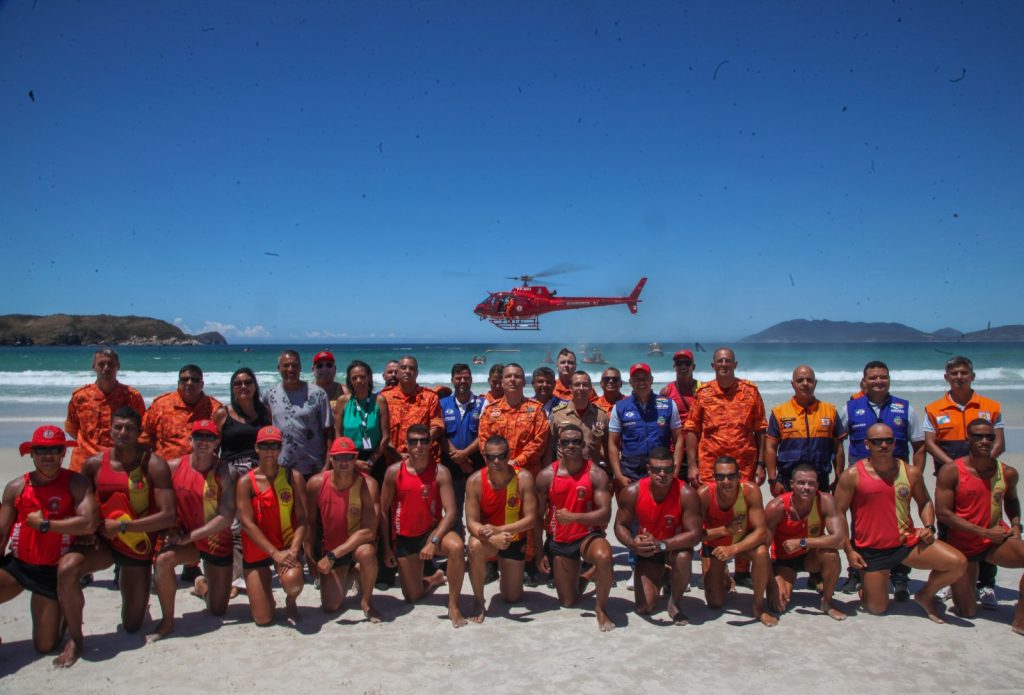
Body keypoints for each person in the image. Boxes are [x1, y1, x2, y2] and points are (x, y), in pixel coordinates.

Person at [55, 407, 176, 667]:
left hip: (136, 545)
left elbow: (168, 516)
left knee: (132, 626)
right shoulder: (94, 464)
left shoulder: (154, 464)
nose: (123, 432)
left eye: (129, 428)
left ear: (139, 433)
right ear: (110, 430)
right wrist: (88, 533)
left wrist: (123, 528)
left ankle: (134, 589)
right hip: (104, 543)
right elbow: (80, 504)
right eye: (118, 427)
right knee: (67, 568)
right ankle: (75, 638)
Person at [834, 423, 967, 623]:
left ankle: (925, 595)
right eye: (877, 441)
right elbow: (838, 514)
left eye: (889, 440)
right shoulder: (852, 475)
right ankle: (868, 584)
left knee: (958, 563)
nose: (884, 445)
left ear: (895, 443)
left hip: (906, 543)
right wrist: (849, 550)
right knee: (876, 609)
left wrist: (929, 526)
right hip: (872, 550)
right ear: (867, 444)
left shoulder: (910, 472)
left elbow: (925, 502)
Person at [0, 426, 95, 661]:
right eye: (41, 450)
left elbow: (89, 523)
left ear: (63, 453)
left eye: (54, 450)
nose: (47, 455)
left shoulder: (76, 483)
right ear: (31, 454)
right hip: (18, 566)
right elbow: (1, 535)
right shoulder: (15, 488)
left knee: (45, 646)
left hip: (52, 571)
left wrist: (46, 525)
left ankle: (62, 606)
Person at [839, 360, 926, 598]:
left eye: (883, 377)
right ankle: (857, 574)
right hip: (862, 481)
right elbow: (837, 441)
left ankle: (900, 578)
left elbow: (919, 445)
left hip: (897, 480)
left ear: (889, 379)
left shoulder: (904, 408)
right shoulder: (850, 408)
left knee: (902, 524)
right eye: (873, 377)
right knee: (860, 526)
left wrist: (915, 475)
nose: (878, 381)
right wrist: (840, 475)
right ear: (864, 381)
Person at [925, 355, 1005, 607]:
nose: (959, 377)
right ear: (946, 377)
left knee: (987, 526)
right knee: (949, 526)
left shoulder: (990, 406)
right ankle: (950, 580)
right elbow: (930, 443)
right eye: (954, 373)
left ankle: (987, 584)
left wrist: (981, 466)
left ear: (972, 375)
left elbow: (999, 442)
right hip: (949, 479)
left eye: (964, 372)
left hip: (985, 479)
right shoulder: (934, 409)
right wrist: (953, 468)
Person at [149, 420, 236, 642]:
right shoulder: (173, 468)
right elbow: (159, 506)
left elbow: (225, 519)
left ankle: (200, 584)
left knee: (217, 610)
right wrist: (168, 531)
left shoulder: (226, 471)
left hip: (217, 542)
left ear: (217, 442)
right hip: (186, 543)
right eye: (199, 437)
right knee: (163, 561)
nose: (204, 442)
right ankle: (167, 621)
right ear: (191, 440)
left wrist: (189, 536)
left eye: (209, 437)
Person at [934, 419, 1024, 633]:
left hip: (994, 544)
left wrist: (1016, 524)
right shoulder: (951, 471)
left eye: (989, 437)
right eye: (978, 436)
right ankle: (960, 585)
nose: (985, 441)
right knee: (967, 612)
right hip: (963, 547)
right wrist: (983, 532)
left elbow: (1011, 500)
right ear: (968, 439)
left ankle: (1020, 620)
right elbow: (944, 514)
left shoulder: (1008, 473)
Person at [379, 425, 467, 628]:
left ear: (430, 444)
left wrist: (434, 540)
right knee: (413, 596)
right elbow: (383, 511)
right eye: (413, 441)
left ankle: (453, 604)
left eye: (423, 441)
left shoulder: (440, 472)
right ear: (406, 445)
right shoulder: (394, 472)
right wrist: (386, 547)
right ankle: (435, 578)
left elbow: (451, 512)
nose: (418, 446)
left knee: (456, 546)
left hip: (431, 533)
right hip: (405, 536)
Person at [535, 424, 616, 631]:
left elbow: (605, 514)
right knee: (568, 601)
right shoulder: (546, 476)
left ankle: (601, 608)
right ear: (559, 446)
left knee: (604, 555)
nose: (571, 446)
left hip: (587, 537)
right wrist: (538, 552)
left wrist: (573, 517)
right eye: (566, 442)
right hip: (560, 539)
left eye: (576, 442)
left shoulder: (596, 474)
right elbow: (537, 517)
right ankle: (587, 575)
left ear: (583, 444)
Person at [613, 447, 701, 624]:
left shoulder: (687, 494)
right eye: (657, 470)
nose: (662, 474)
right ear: (648, 470)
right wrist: (632, 544)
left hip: (672, 547)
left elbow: (695, 535)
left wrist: (662, 544)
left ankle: (674, 602)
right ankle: (665, 575)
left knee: (683, 556)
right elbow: (620, 525)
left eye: (668, 470)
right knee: (644, 608)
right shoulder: (633, 492)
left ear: (674, 468)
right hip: (648, 551)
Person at [236, 425, 308, 626]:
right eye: (264, 446)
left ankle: (290, 600)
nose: (269, 450)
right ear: (256, 448)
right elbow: (247, 523)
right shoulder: (245, 482)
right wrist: (274, 554)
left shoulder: (292, 477)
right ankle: (263, 581)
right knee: (263, 619)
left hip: (286, 545)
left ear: (280, 448)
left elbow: (303, 519)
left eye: (274, 446)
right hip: (258, 549)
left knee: (293, 581)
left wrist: (294, 550)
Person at [304, 436, 381, 622]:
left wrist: (333, 555)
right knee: (330, 607)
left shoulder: (368, 484)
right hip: (330, 547)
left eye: (349, 457)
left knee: (367, 552)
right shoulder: (316, 483)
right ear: (331, 459)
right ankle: (353, 573)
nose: (344, 462)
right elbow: (309, 524)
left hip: (355, 546)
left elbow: (369, 531)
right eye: (339, 458)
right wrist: (310, 558)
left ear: (356, 458)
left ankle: (367, 600)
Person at [464, 435, 538, 623]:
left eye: (501, 456)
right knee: (474, 546)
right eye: (491, 457)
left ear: (509, 455)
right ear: (484, 456)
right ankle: (479, 600)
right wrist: (490, 537)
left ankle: (505, 575)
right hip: (487, 539)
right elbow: (471, 522)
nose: (496, 461)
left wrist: (498, 530)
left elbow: (531, 519)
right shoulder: (474, 481)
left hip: (514, 538)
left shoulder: (523, 477)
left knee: (512, 597)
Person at [698, 456, 777, 627]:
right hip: (714, 545)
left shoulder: (750, 491)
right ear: (714, 477)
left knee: (762, 552)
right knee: (715, 602)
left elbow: (761, 531)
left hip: (741, 543)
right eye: (720, 477)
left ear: (739, 476)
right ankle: (725, 576)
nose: (726, 481)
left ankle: (758, 606)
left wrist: (733, 549)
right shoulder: (704, 494)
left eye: (731, 476)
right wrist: (723, 531)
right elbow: (695, 535)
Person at [764, 463, 848, 621]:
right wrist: (771, 585)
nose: (806, 487)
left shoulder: (825, 501)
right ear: (792, 484)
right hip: (785, 560)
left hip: (811, 556)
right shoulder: (777, 507)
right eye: (801, 483)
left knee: (831, 554)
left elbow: (839, 540)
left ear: (817, 485)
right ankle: (786, 581)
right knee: (778, 605)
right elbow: (762, 551)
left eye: (811, 483)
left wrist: (802, 542)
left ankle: (827, 602)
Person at [685, 348, 767, 487]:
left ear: (735, 365)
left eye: (728, 361)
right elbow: (692, 430)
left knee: (742, 506)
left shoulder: (750, 391)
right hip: (710, 466)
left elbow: (761, 429)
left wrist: (761, 464)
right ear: (713, 365)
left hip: (744, 465)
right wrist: (692, 466)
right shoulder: (703, 393)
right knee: (710, 506)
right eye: (720, 361)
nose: (724, 364)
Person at [765, 365, 846, 495]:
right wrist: (772, 479)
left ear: (815, 383)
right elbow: (770, 448)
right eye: (800, 380)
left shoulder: (829, 411)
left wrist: (839, 478)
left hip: (820, 479)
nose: (805, 384)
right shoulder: (779, 412)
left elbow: (838, 448)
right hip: (787, 478)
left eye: (809, 380)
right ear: (792, 384)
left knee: (819, 514)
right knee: (788, 515)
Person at [65, 348, 146, 472]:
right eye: (101, 364)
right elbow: (72, 428)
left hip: (120, 462)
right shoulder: (80, 396)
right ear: (94, 367)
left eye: (111, 364)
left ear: (118, 366)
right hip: (83, 462)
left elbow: (142, 429)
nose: (106, 368)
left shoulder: (132, 396)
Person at [609, 363, 683, 489]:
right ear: (630, 382)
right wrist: (618, 474)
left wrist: (675, 470)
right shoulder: (620, 407)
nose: (641, 382)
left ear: (652, 380)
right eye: (637, 378)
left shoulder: (668, 404)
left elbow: (679, 439)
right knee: (631, 508)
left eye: (645, 378)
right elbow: (612, 443)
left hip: (661, 470)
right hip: (631, 471)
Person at [262, 350, 334, 480]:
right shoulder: (270, 394)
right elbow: (266, 428)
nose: (291, 369)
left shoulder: (318, 394)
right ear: (278, 368)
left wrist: (327, 465)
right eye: (286, 365)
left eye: (295, 365)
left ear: (300, 368)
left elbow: (329, 432)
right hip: (282, 467)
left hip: (314, 468)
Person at [440, 363, 486, 536]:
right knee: (454, 509)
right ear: (452, 380)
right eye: (458, 378)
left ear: (472, 380)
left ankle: (480, 546)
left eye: (466, 378)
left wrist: (465, 455)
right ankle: (458, 548)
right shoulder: (442, 404)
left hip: (477, 465)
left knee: (479, 508)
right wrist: (458, 458)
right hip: (451, 466)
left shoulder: (483, 404)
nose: (462, 381)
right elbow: (440, 435)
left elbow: (485, 434)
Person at [142, 364, 222, 461]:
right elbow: (144, 438)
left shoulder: (215, 409)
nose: (189, 383)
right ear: (179, 383)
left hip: (202, 471)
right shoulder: (161, 405)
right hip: (165, 472)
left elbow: (221, 442)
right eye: (185, 379)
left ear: (202, 384)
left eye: (195, 380)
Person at [334, 360, 391, 482]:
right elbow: (337, 433)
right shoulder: (343, 401)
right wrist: (351, 460)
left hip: (375, 457)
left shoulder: (379, 401)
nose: (358, 381)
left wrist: (371, 461)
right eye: (354, 378)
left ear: (369, 378)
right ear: (350, 381)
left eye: (362, 377)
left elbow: (385, 436)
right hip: (348, 457)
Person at [382, 355, 444, 464]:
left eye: (412, 368)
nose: (407, 371)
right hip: (393, 461)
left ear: (417, 373)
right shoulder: (384, 398)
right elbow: (381, 431)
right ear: (398, 372)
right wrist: (397, 455)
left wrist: (419, 448)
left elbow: (437, 426)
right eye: (403, 368)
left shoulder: (430, 397)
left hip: (425, 460)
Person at [548, 371, 609, 472]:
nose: (581, 388)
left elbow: (608, 447)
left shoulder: (601, 416)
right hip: (564, 472)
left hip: (592, 472)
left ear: (590, 388)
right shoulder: (558, 415)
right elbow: (549, 448)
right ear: (570, 388)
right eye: (577, 385)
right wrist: (550, 471)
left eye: (585, 385)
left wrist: (610, 473)